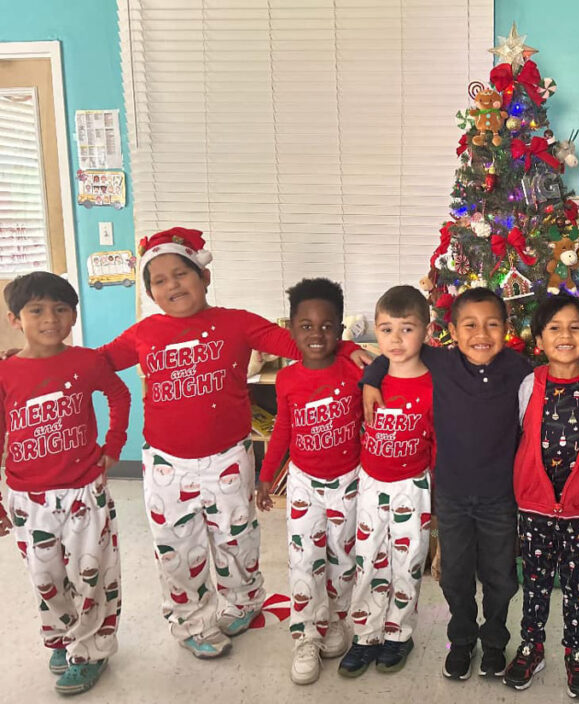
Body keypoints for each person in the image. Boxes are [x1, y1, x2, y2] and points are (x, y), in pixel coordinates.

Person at [99, 228, 369, 659]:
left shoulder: (236, 322)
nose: (172, 285)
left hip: (228, 457)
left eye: (181, 273)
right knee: (177, 548)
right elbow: (96, 365)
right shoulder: (144, 333)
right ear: (150, 292)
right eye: (160, 280)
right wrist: (41, 355)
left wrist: (350, 345)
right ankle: (192, 623)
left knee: (236, 538)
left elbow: (303, 343)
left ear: (204, 277)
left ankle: (243, 603)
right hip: (167, 464)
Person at [362, 287, 531, 680]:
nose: (481, 333)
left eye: (492, 324)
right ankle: (461, 639)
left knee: (500, 578)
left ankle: (493, 642)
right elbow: (392, 353)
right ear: (452, 331)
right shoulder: (440, 362)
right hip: (453, 497)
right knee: (455, 576)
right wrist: (370, 378)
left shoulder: (520, 369)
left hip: (500, 498)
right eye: (469, 325)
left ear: (506, 329)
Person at [0, 272, 130, 695]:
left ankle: (92, 649)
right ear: (15, 319)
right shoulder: (5, 373)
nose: (50, 318)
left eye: (61, 309)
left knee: (92, 576)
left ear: (74, 314)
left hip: (83, 491)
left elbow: (119, 394)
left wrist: (114, 444)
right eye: (36, 310)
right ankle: (61, 634)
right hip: (26, 498)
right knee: (46, 576)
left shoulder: (87, 362)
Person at [503, 294, 579, 698]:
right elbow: (518, 435)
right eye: (554, 328)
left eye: (575, 327)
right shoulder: (529, 385)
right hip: (534, 505)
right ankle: (531, 646)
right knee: (534, 581)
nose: (565, 335)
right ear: (539, 340)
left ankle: (577, 651)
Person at [255, 278, 362, 684]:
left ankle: (336, 621)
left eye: (327, 325)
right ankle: (305, 635)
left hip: (349, 480)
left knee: (342, 558)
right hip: (304, 484)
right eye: (306, 325)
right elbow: (283, 428)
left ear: (339, 327)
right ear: (292, 329)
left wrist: (354, 349)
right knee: (305, 562)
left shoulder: (354, 368)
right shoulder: (286, 380)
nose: (317, 334)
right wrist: (267, 477)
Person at [338, 285, 434, 677]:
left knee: (407, 563)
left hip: (415, 485)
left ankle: (398, 633)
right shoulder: (369, 378)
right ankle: (366, 634)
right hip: (371, 483)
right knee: (367, 560)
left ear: (427, 331)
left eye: (407, 329)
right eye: (386, 329)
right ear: (374, 332)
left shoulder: (435, 383)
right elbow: (334, 347)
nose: (396, 339)